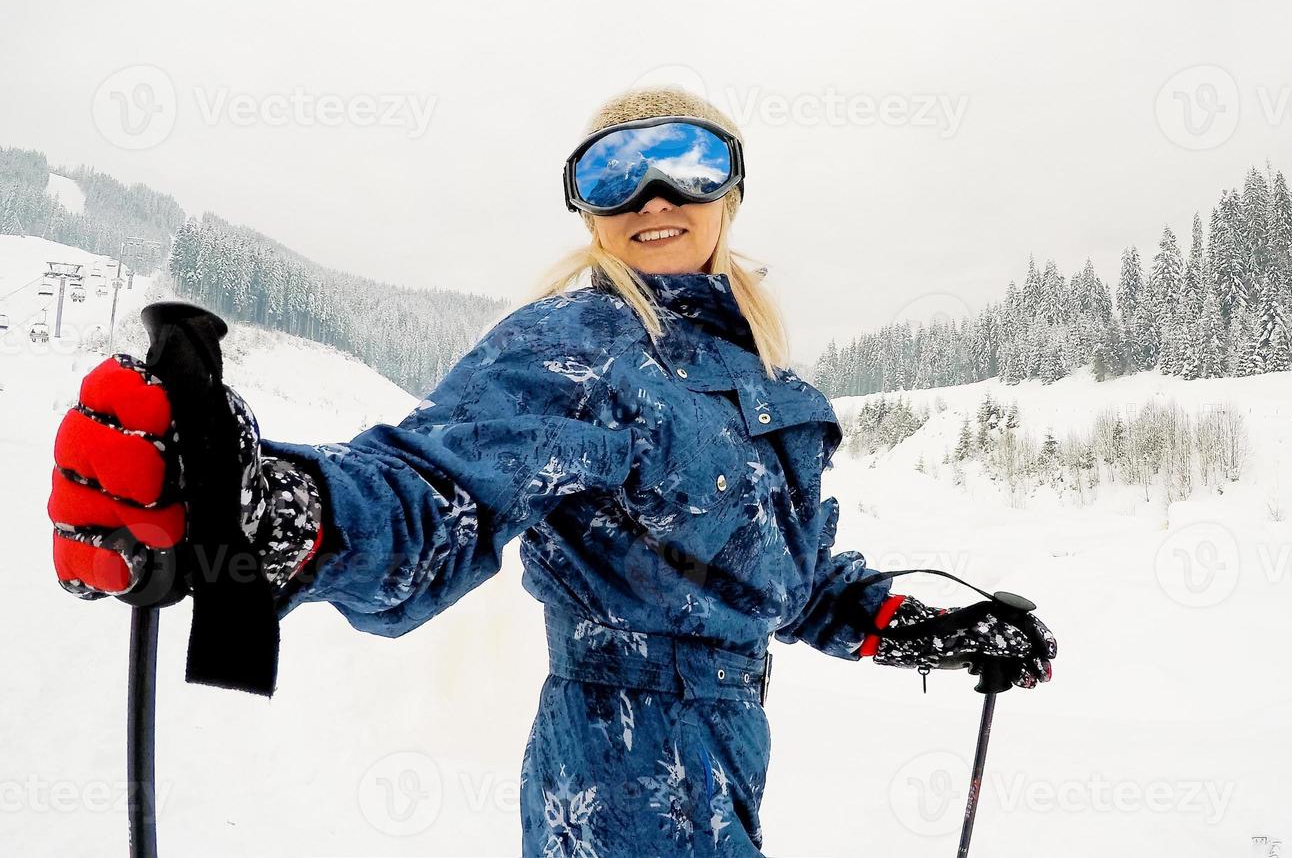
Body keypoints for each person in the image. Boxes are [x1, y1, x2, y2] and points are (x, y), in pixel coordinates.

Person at [47, 86, 1058, 856]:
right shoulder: (576, 345)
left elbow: (785, 582)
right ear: (586, 208)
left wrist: (922, 626)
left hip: (729, 765)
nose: (654, 194)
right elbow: (433, 487)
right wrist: (273, 505)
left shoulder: (760, 378)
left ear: (731, 192)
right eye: (616, 172)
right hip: (614, 771)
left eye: (686, 162)